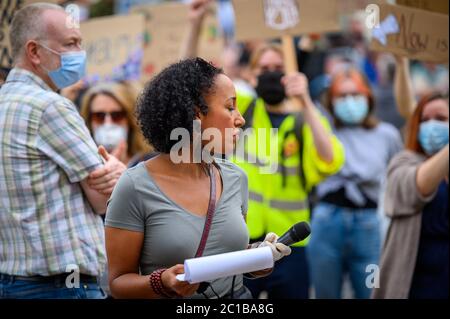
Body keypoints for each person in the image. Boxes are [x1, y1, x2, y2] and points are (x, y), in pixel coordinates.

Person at [180, 0, 345, 299]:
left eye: (278, 68)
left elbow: (330, 160)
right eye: (264, 68)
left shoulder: (306, 118)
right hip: (242, 239)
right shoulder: (241, 109)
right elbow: (188, 81)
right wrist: (195, 25)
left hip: (291, 243)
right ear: (252, 76)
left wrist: (305, 101)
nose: (271, 73)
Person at [105, 57, 292, 299]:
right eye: (229, 107)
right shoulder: (134, 186)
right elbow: (118, 284)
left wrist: (258, 256)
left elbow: (224, 256)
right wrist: (162, 282)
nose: (240, 119)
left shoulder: (235, 177)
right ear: (196, 114)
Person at [0, 3, 126, 299]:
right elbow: (103, 199)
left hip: (14, 282)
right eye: (70, 44)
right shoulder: (50, 107)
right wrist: (120, 172)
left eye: (80, 43)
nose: (80, 53)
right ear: (34, 51)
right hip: (63, 287)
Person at [306, 68, 403, 299]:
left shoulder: (386, 134)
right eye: (342, 95)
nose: (349, 101)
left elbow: (397, 178)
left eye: (355, 94)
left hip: (369, 227)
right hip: (328, 221)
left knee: (373, 292)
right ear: (331, 101)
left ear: (368, 96)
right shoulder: (324, 130)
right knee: (325, 294)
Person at [373, 93, 449, 299]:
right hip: (415, 283)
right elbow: (417, 187)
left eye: (441, 119)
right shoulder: (404, 161)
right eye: (424, 120)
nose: (432, 126)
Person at [80, 82, 151, 166]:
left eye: (117, 115)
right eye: (99, 116)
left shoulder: (150, 163)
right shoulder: (81, 165)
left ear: (131, 119)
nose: (108, 123)